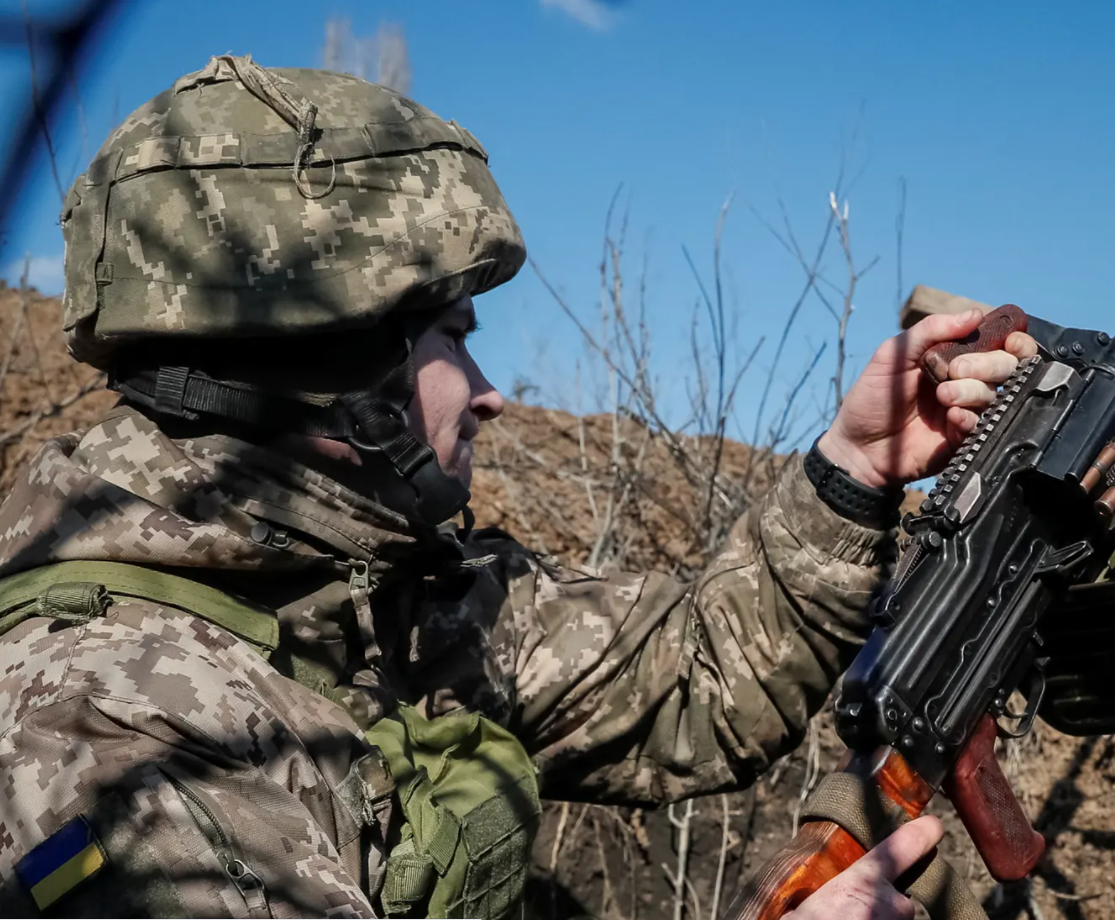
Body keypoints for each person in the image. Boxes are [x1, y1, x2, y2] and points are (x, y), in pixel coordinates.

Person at [0, 57, 1035, 919]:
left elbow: (693, 681)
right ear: (340, 363)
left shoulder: (362, 592)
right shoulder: (106, 727)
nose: (494, 395)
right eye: (457, 338)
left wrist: (854, 467)